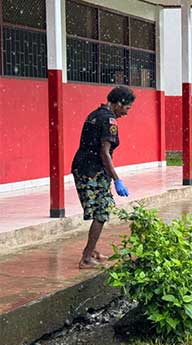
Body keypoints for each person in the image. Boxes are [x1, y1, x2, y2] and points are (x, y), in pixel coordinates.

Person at [71, 86, 135, 269]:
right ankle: (85, 258)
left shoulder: (95, 114)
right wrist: (117, 179)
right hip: (92, 171)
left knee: (100, 207)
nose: (126, 112)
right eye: (127, 108)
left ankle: (93, 251)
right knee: (101, 212)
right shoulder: (109, 120)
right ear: (118, 103)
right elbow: (104, 152)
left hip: (84, 167)